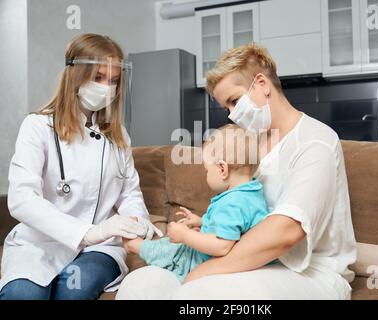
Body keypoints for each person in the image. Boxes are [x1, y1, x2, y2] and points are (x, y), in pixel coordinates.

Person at [116, 43, 357, 300]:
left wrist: (205, 271)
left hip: (310, 273)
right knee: (140, 286)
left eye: (234, 101)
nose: (232, 115)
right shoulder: (249, 146)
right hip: (253, 262)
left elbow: (285, 232)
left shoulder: (315, 141)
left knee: (199, 294)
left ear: (262, 84)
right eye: (227, 108)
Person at [0, 34, 161, 300]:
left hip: (101, 248)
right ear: (75, 75)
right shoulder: (38, 126)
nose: (107, 88)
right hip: (40, 244)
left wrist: (138, 223)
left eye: (113, 80)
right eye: (98, 77)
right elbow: (21, 199)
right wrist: (87, 232)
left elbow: (129, 194)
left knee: (72, 290)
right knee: (23, 294)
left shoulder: (117, 135)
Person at [121, 124, 269, 283]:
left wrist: (186, 236)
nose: (206, 176)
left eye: (207, 170)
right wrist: (202, 221)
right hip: (214, 256)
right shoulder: (251, 193)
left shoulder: (232, 203)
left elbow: (222, 245)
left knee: (169, 250)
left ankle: (135, 246)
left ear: (222, 169)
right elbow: (236, 227)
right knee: (169, 244)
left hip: (201, 263)